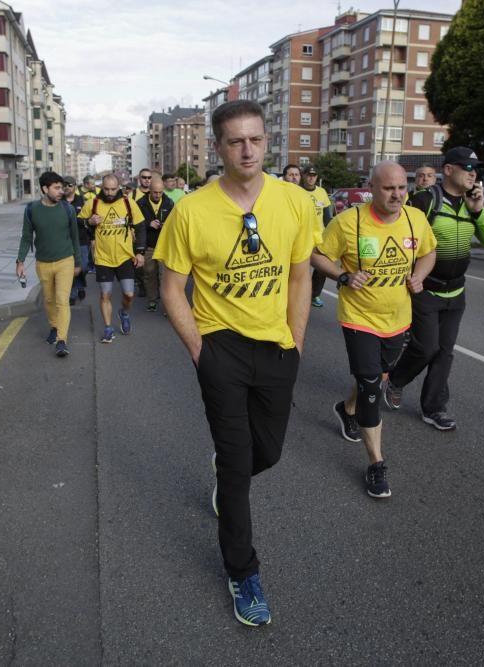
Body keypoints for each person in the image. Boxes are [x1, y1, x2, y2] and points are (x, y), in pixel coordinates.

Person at [154, 99, 315, 627]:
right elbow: (171, 287)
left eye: (257, 139)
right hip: (220, 347)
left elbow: (299, 275)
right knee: (237, 461)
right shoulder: (191, 211)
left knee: (266, 452)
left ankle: (228, 477)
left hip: (277, 347)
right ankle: (244, 572)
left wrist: (296, 337)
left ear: (267, 142)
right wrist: (200, 349)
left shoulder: (295, 202)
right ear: (218, 147)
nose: (248, 150)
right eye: (236, 141)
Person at [310, 161, 436, 498]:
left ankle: (346, 408)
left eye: (401, 188)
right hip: (359, 317)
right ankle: (376, 463)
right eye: (388, 188)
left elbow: (429, 252)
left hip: (398, 317)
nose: (396, 194)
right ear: (372, 187)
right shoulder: (349, 222)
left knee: (378, 376)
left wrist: (420, 275)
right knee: (371, 386)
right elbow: (318, 255)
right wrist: (344, 276)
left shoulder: (415, 219)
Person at [385, 147, 484, 430]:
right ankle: (397, 380)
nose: (473, 173)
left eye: (476, 169)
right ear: (448, 170)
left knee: (444, 352)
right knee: (425, 348)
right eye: (467, 167)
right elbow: (401, 237)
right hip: (425, 290)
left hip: (456, 293)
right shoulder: (426, 201)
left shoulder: (473, 204)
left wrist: (479, 212)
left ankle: (434, 408)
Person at [16, 171, 82, 357]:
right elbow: (27, 237)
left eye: (62, 187)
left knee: (62, 300)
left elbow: (75, 237)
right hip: (43, 263)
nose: (61, 191)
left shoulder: (67, 210)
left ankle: (62, 340)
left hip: (65, 260)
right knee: (49, 299)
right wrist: (20, 260)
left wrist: (78, 262)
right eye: (57, 188)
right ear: (45, 189)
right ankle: (54, 326)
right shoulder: (32, 210)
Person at [80, 174, 146, 342]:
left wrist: (140, 252)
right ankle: (108, 328)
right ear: (102, 187)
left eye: (113, 189)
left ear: (119, 188)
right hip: (103, 258)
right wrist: (89, 222)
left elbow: (140, 227)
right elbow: (78, 224)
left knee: (129, 294)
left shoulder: (128, 203)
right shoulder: (93, 203)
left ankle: (123, 313)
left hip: (125, 257)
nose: (109, 193)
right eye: (106, 189)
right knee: (105, 294)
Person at [136, 177, 175, 312]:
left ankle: (166, 304)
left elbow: (175, 222)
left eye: (160, 192)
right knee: (149, 273)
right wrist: (148, 224)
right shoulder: (140, 203)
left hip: (165, 246)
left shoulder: (169, 202)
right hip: (149, 245)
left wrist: (167, 225)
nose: (158, 195)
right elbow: (136, 224)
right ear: (149, 191)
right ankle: (152, 300)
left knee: (164, 276)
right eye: (155, 192)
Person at [299, 165, 333, 308]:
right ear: (304, 176)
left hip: (319, 237)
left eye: (314, 175)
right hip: (301, 236)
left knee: (322, 268)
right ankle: (299, 295)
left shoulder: (322, 192)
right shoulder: (298, 191)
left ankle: (315, 294)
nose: (311, 178)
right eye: (308, 175)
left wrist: (330, 233)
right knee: (301, 268)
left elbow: (327, 216)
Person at [63, 176, 88, 305]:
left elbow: (88, 220)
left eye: (69, 185)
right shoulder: (59, 202)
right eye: (64, 185)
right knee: (71, 269)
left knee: (82, 267)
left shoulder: (82, 201)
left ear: (75, 187)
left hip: (82, 240)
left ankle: (80, 286)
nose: (66, 187)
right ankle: (72, 294)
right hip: (65, 242)